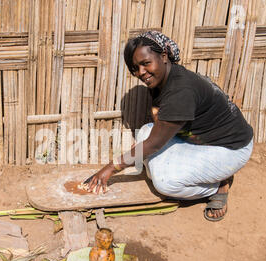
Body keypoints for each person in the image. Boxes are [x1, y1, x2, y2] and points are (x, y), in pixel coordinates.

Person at [83, 30, 254, 222]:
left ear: (163, 56)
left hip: (230, 149)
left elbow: (154, 144)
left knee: (165, 183)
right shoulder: (164, 79)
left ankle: (217, 185)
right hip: (200, 140)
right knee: (146, 133)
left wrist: (109, 169)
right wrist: (143, 150)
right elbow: (158, 129)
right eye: (135, 68)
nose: (141, 73)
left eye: (146, 63)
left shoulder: (180, 90)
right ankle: (202, 173)